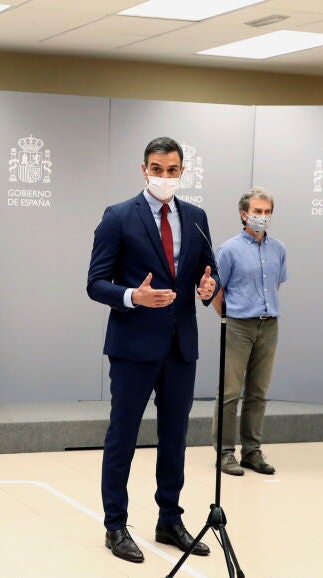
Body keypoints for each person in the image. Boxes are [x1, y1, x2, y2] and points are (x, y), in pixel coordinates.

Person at [87, 137, 219, 564]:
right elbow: (95, 283)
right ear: (143, 169)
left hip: (180, 346)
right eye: (157, 169)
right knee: (122, 436)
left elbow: (208, 271)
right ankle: (115, 524)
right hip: (133, 345)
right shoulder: (118, 216)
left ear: (182, 171)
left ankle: (169, 519)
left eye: (172, 170)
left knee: (175, 437)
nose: (165, 177)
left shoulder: (196, 217)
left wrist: (208, 286)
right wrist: (133, 296)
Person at [211, 187, 287, 476]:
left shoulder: (278, 249)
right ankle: (225, 452)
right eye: (257, 211)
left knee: (258, 392)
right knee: (230, 392)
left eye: (267, 212)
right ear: (244, 214)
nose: (262, 216)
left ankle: (252, 451)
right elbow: (217, 290)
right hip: (239, 325)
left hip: (269, 325)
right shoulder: (229, 249)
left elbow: (275, 285)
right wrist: (230, 315)